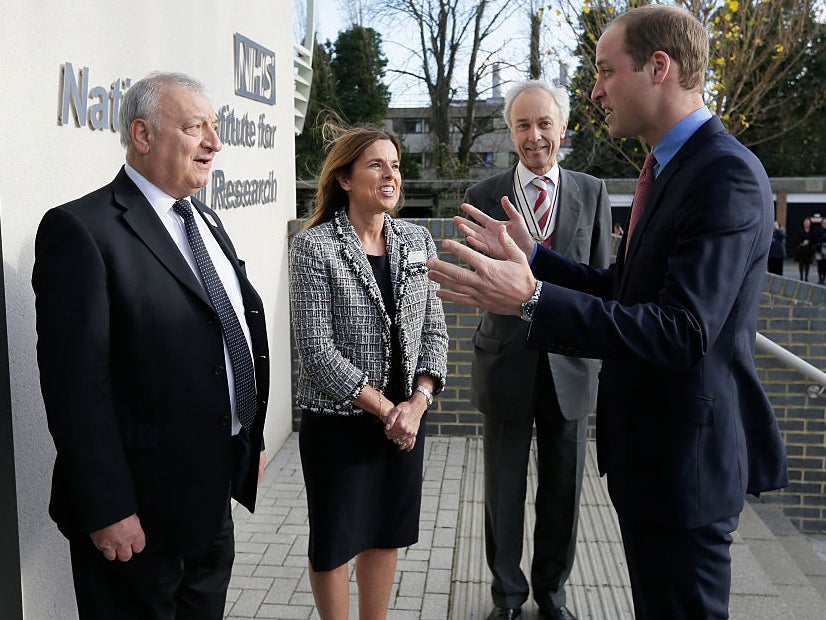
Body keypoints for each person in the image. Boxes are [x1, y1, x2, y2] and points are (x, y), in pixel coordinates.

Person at [426, 5, 788, 619]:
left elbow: (682, 329)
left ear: (658, 67)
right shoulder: (673, 168)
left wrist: (532, 298)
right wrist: (536, 259)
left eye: (603, 71)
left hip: (685, 471)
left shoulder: (723, 174)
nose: (593, 91)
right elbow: (626, 287)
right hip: (652, 461)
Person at [32, 72, 269, 620]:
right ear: (142, 134)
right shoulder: (81, 230)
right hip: (137, 515)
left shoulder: (204, 218)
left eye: (215, 127)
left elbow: (230, 333)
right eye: (195, 128)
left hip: (208, 501)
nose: (214, 142)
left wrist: (248, 440)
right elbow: (75, 387)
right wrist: (108, 507)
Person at [464, 80, 611, 620]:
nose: (534, 136)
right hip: (506, 360)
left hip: (570, 366)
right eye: (523, 125)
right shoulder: (484, 194)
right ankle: (507, 597)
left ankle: (552, 593)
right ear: (510, 132)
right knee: (502, 490)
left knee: (563, 492)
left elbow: (598, 284)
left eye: (544, 123)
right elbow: (478, 281)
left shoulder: (593, 193)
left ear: (563, 129)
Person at [289, 126, 448, 620]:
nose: (390, 174)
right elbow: (316, 351)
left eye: (395, 165)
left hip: (404, 427)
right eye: (377, 164)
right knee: (336, 543)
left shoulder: (417, 240)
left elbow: (435, 334)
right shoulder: (315, 248)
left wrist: (417, 404)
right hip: (341, 426)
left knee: (385, 535)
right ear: (344, 179)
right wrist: (387, 410)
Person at [795, 216, 816, 281]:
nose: (806, 223)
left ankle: (806, 277)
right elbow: (796, 239)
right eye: (805, 222)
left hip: (809, 249)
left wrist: (809, 242)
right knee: (801, 263)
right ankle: (801, 276)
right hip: (801, 249)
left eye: (808, 222)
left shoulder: (812, 231)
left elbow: (814, 239)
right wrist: (801, 243)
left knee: (807, 264)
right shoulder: (800, 230)